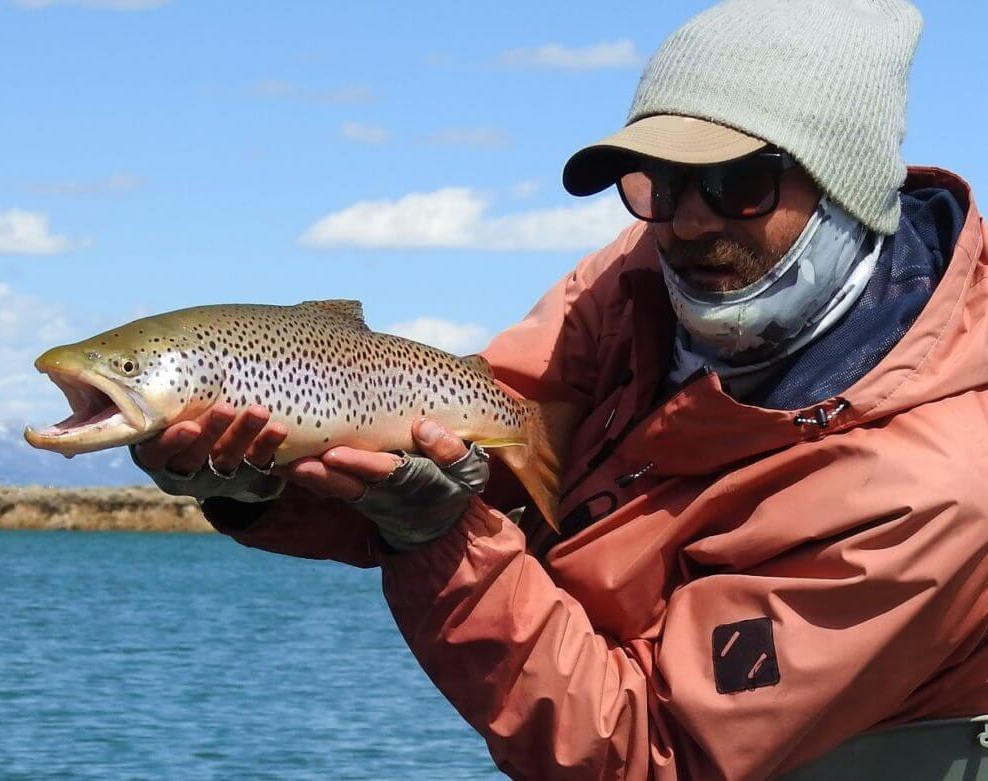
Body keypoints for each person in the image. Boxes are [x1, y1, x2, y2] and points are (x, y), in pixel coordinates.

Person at [133, 0, 988, 778]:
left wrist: (437, 537)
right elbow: (474, 457)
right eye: (660, 180)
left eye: (737, 182)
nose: (689, 221)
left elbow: (649, 753)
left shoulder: (932, 490)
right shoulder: (636, 276)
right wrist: (257, 478)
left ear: (850, 185)